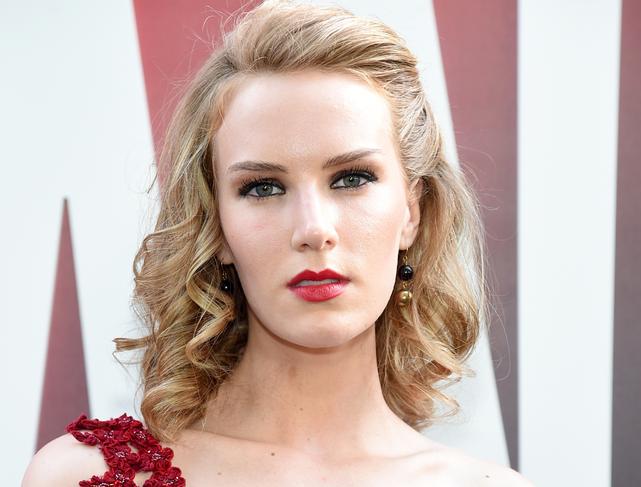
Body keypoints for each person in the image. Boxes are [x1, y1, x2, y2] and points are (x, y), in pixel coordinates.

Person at [23, 1, 533, 485]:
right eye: (263, 188)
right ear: (216, 227)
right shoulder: (83, 477)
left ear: (411, 213)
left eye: (351, 178)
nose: (313, 229)